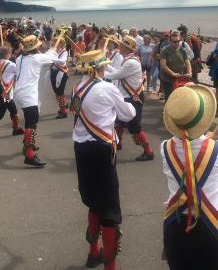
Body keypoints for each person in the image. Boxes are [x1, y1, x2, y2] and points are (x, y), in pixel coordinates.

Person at [161, 85, 218, 270]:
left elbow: (190, 148)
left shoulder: (165, 148)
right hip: (209, 229)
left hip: (175, 226)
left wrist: (207, 138)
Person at [71, 50, 136, 270]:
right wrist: (130, 104)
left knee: (92, 200)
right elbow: (128, 114)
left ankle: (93, 253)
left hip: (80, 148)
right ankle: (110, 267)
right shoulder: (106, 88)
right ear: (99, 68)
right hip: (101, 149)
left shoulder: (77, 88)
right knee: (108, 207)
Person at [104, 35, 154, 161]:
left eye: (121, 45)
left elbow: (115, 75)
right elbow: (117, 71)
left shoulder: (131, 62)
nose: (118, 46)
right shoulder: (128, 59)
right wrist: (104, 63)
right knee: (118, 122)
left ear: (126, 48)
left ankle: (148, 152)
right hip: (127, 97)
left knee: (134, 127)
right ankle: (117, 144)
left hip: (133, 98)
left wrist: (97, 71)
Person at [14, 35, 61, 167]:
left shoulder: (19, 58)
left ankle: (27, 144)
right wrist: (53, 49)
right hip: (28, 94)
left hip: (19, 92)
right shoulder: (37, 58)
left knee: (34, 118)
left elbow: (47, 55)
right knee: (31, 124)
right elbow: (52, 57)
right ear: (36, 47)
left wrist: (49, 51)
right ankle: (29, 154)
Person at [0, 45, 24, 135]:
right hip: (5, 93)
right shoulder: (10, 65)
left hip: (2, 90)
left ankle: (16, 129)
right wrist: (18, 53)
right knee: (4, 113)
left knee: (4, 113)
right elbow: (20, 71)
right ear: (8, 54)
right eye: (10, 52)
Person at [159, 30, 192, 102]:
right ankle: (167, 111)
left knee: (178, 95)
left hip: (178, 77)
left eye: (178, 41)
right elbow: (163, 65)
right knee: (169, 95)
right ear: (170, 41)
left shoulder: (183, 50)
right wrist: (172, 74)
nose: (177, 43)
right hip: (166, 77)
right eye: (174, 42)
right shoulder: (165, 50)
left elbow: (187, 62)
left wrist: (189, 72)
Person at [50, 37, 70, 119]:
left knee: (60, 93)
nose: (55, 43)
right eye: (54, 42)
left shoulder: (64, 52)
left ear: (61, 43)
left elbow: (63, 61)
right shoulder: (54, 51)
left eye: (57, 42)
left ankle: (63, 111)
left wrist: (52, 59)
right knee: (56, 93)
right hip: (54, 73)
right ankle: (63, 107)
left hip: (61, 73)